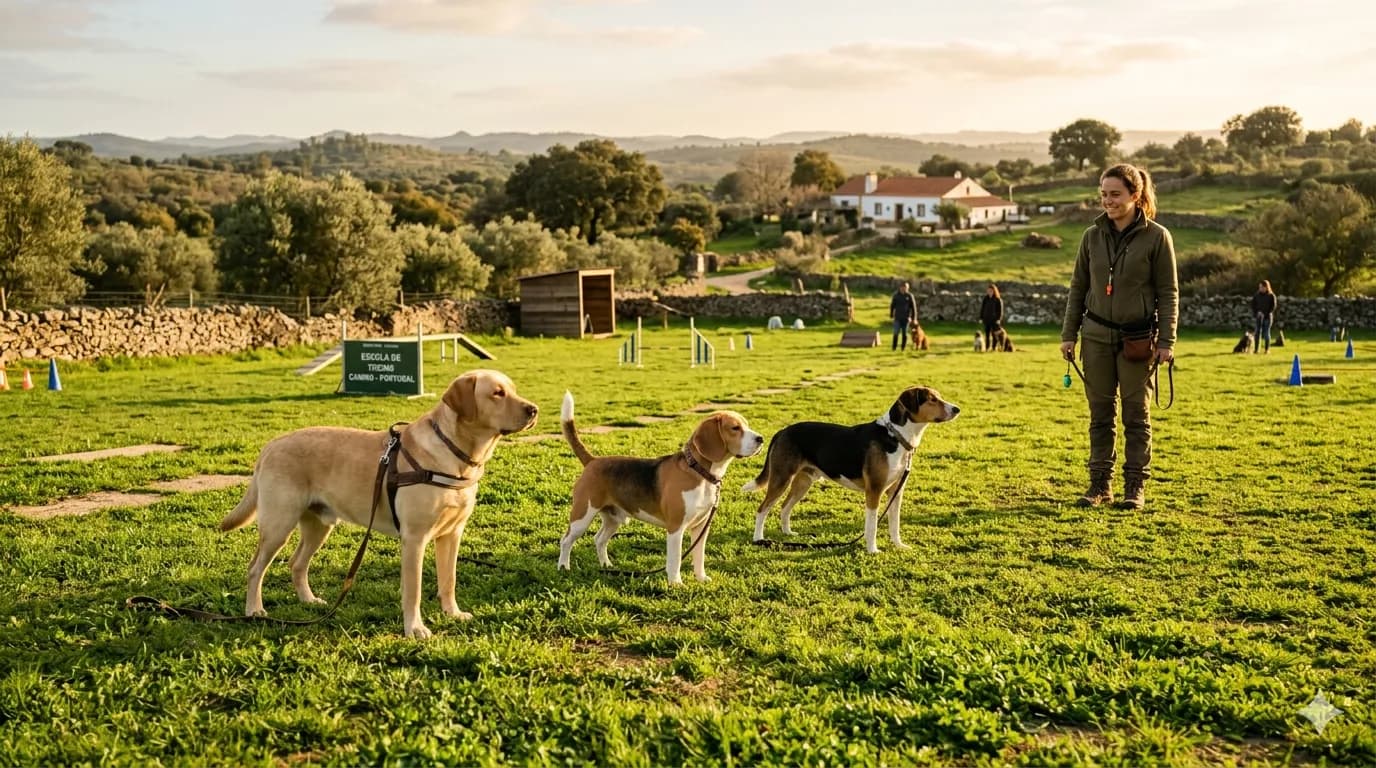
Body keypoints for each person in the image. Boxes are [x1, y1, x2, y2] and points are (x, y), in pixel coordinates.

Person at [1059, 163, 1179, 511]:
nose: (1107, 201)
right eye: (1103, 194)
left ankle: (1135, 488)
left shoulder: (1158, 237)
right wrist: (1069, 334)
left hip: (1138, 340)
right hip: (1095, 336)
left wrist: (1167, 341)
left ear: (1135, 195)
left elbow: (1168, 293)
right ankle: (1099, 486)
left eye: (1115, 194)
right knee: (1100, 415)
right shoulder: (1090, 236)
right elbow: (1078, 287)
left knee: (1136, 416)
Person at [889, 281, 919, 351]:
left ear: (907, 288)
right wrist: (891, 314)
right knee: (896, 333)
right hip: (897, 317)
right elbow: (892, 305)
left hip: (906, 318)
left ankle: (903, 348)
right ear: (900, 288)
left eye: (905, 288)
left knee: (904, 334)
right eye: (902, 287)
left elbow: (913, 307)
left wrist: (914, 318)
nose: (903, 289)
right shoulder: (896, 296)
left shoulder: (909, 296)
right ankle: (894, 347)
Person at [1250, 280, 1277, 354]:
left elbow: (1273, 307)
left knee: (1266, 333)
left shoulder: (1271, 296)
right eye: (1260, 287)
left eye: (1262, 287)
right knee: (1257, 333)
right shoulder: (1256, 295)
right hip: (1258, 317)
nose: (1260, 288)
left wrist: (1265, 313)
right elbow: (1253, 305)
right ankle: (1256, 350)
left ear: (1266, 287)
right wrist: (1257, 313)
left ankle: (1267, 349)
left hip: (1267, 318)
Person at [980, 284, 1003, 352]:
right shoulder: (985, 299)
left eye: (991, 290)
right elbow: (983, 308)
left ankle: (994, 347)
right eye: (988, 290)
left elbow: (1000, 311)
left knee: (994, 335)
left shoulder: (998, 300)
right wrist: (981, 317)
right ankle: (987, 348)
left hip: (994, 320)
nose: (989, 292)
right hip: (986, 319)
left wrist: (998, 319)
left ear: (994, 291)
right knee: (987, 335)